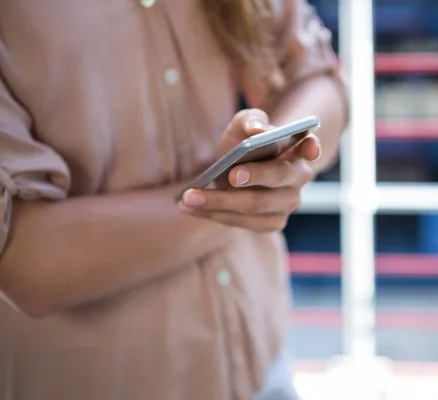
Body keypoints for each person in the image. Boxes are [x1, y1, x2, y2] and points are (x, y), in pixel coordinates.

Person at [0, 0, 347, 399]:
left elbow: (320, 83)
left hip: (264, 368)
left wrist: (278, 156)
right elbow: (26, 262)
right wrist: (238, 198)